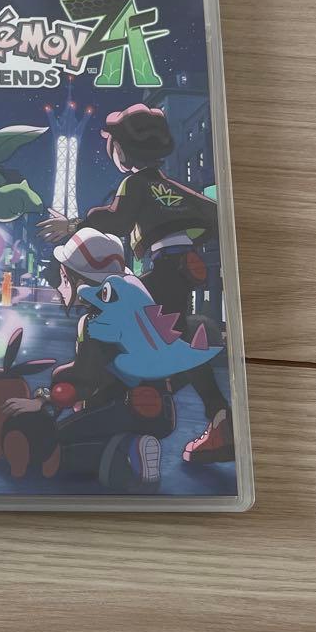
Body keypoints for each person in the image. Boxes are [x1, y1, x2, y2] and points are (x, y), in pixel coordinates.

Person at [38, 104, 233, 464]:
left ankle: (108, 392)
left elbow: (116, 220)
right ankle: (218, 417)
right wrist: (188, 241)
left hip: (162, 266)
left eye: (113, 146)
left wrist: (73, 226)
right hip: (179, 269)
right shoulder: (171, 187)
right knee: (177, 333)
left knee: (107, 319)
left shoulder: (135, 183)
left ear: (122, 150)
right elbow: (213, 214)